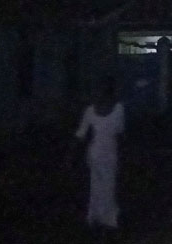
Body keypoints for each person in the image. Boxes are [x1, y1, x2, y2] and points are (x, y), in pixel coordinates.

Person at [73, 77, 125, 233]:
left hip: (96, 152)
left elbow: (81, 133)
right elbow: (120, 131)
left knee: (97, 184)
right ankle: (107, 218)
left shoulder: (91, 110)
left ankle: (96, 216)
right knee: (107, 185)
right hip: (107, 152)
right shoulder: (118, 109)